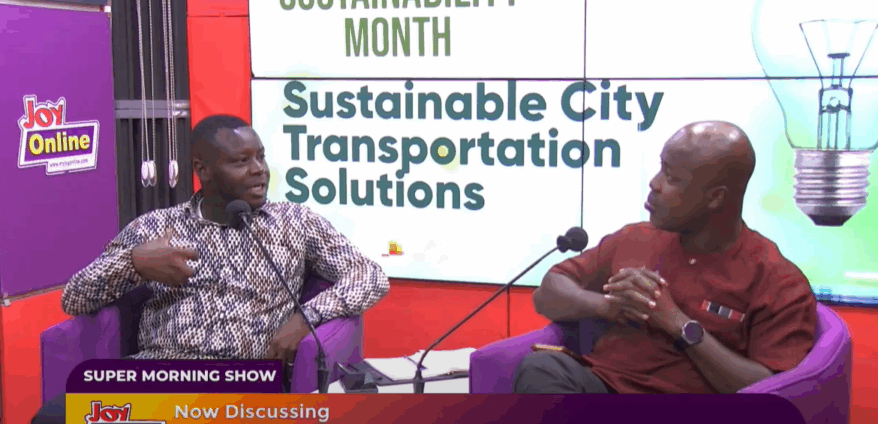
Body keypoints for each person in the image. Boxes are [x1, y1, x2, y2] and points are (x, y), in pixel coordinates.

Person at [33, 115, 390, 423]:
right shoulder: (156, 226)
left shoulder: (293, 221)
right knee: (55, 415)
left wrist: (305, 317)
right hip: (157, 372)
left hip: (242, 380)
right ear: (203, 170)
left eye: (261, 157)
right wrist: (135, 263)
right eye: (241, 161)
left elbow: (370, 276)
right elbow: (74, 298)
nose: (259, 170)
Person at [514, 121, 817, 394]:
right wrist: (609, 306)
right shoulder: (636, 238)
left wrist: (678, 324)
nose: (655, 184)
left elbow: (772, 391)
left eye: (671, 177)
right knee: (542, 367)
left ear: (716, 197)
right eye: (661, 169)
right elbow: (548, 294)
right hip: (604, 387)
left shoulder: (778, 281)